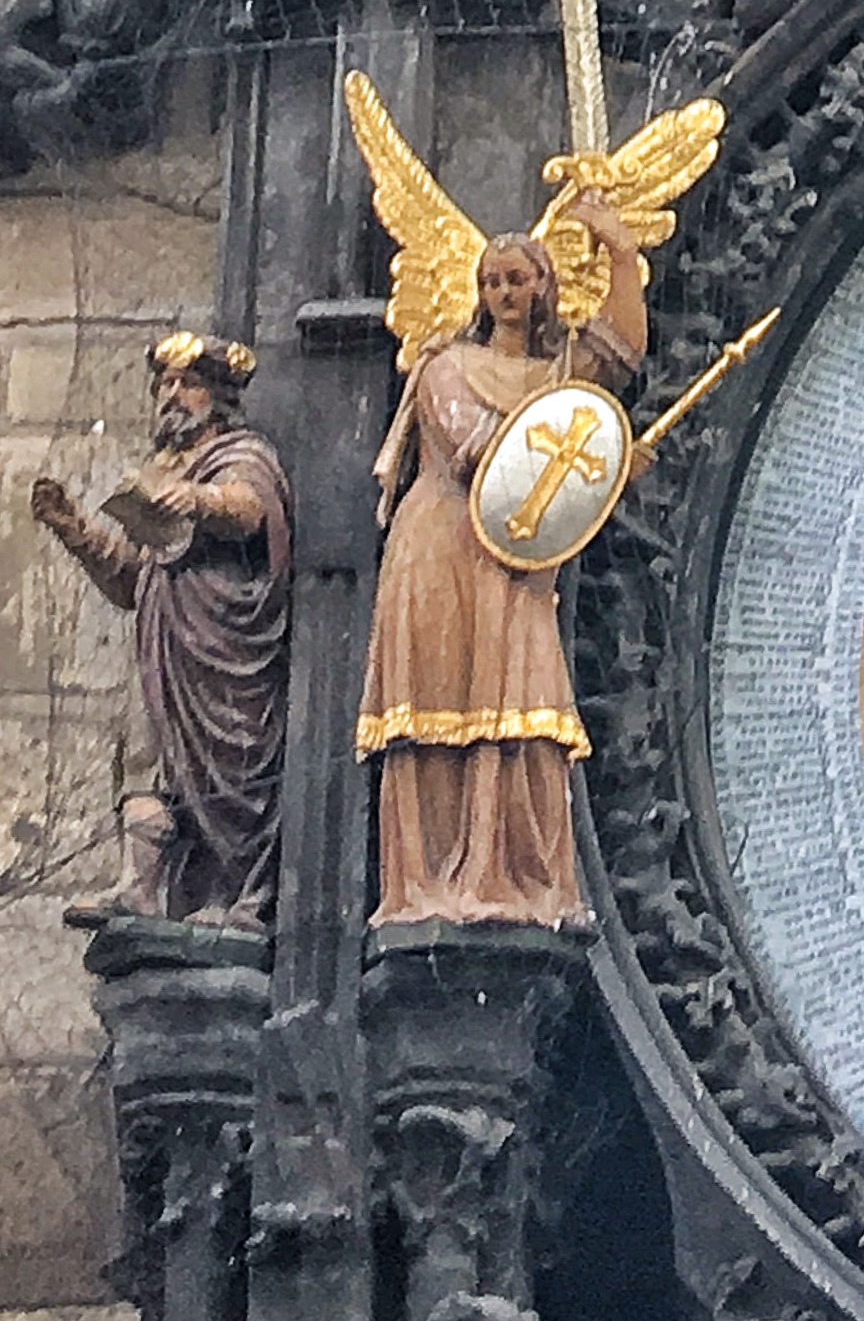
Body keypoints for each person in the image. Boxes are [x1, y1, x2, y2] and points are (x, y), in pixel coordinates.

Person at [357, 199, 646, 927]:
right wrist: (595, 462)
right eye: (492, 282)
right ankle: (430, 885)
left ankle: (526, 881)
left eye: (518, 279)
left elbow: (620, 352)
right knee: (442, 705)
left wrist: (617, 253)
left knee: (529, 709)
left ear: (544, 288)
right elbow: (480, 449)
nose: (505, 294)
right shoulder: (445, 366)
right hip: (446, 546)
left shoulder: (558, 375)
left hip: (518, 559)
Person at [29, 331, 290, 925]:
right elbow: (128, 578)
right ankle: (139, 887)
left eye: (188, 384)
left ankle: (238, 896)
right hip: (159, 637)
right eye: (165, 385)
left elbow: (251, 510)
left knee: (230, 765)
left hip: (221, 642)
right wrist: (72, 527)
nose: (172, 396)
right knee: (145, 756)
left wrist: (197, 499)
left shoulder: (243, 455)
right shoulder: (160, 471)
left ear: (218, 396)